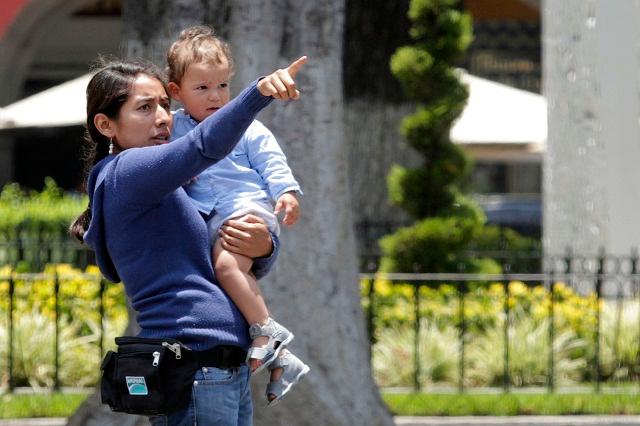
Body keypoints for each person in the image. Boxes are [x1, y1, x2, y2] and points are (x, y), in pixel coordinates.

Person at [70, 55, 307, 425]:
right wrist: (257, 93)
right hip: (194, 366)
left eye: (165, 104)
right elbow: (202, 146)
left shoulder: (165, 186)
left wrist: (264, 248)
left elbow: (215, 259)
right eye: (145, 108)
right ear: (106, 125)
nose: (163, 117)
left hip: (220, 365)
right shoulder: (125, 171)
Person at [166, 25, 308, 402]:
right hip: (209, 218)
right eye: (202, 88)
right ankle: (283, 358)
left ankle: (267, 331)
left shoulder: (246, 126)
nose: (215, 97)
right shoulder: (172, 129)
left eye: (222, 86)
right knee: (228, 273)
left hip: (247, 208)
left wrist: (288, 193)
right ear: (175, 92)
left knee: (228, 267)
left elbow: (272, 163)